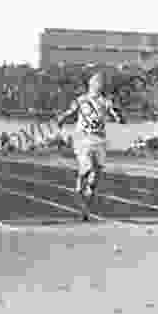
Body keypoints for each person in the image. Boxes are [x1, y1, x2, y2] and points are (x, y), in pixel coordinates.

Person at [56, 70, 123, 222]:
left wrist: (119, 117)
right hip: (83, 139)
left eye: (101, 83)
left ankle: (85, 209)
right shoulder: (81, 100)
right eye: (96, 82)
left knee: (94, 180)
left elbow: (114, 113)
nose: (99, 85)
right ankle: (82, 175)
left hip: (99, 141)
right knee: (88, 168)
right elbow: (70, 112)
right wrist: (62, 119)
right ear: (90, 85)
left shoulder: (105, 101)